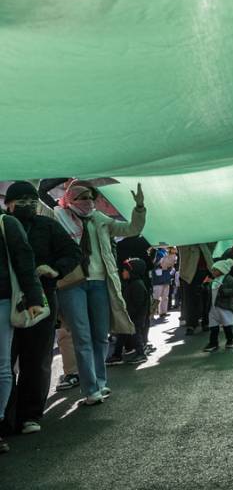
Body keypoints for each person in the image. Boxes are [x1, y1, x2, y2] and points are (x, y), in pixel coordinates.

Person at [52, 181, 143, 406]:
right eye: (82, 198)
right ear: (70, 199)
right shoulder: (58, 218)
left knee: (100, 336)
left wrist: (139, 208)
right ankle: (91, 389)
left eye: (91, 197)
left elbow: (131, 229)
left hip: (100, 283)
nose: (88, 202)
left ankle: (100, 383)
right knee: (82, 337)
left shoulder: (100, 219)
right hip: (72, 283)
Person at [2, 181, 80, 436]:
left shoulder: (48, 226)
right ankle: (6, 416)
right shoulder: (3, 225)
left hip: (43, 300)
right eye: (20, 200)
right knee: (5, 362)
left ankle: (30, 415)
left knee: (36, 359)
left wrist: (55, 269)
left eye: (31, 199)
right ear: (7, 204)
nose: (26, 204)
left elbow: (73, 253)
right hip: (7, 301)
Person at [0, 209, 46, 454]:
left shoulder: (6, 222)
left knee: (2, 366)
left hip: (3, 300)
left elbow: (24, 259)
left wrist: (34, 296)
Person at [113, 259, 149, 365]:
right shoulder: (132, 283)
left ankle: (141, 353)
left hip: (135, 317)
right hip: (130, 315)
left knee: (135, 334)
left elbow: (137, 303)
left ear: (132, 272)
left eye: (125, 270)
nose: (123, 272)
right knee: (122, 334)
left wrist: (128, 313)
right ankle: (117, 355)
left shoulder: (137, 285)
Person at [202, 259, 233, 352]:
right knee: (213, 326)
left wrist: (224, 291)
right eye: (213, 270)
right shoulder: (214, 280)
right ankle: (213, 343)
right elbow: (209, 291)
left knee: (227, 325)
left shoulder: (229, 279)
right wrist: (205, 286)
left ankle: (230, 340)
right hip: (213, 307)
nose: (213, 271)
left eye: (215, 270)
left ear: (222, 270)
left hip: (224, 307)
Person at [177, 243, 214, 335]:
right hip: (189, 275)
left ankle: (206, 322)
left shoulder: (204, 244)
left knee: (206, 299)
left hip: (205, 273)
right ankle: (191, 324)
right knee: (190, 301)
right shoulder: (184, 244)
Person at [151, 247, 177, 321]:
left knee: (165, 297)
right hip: (158, 278)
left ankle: (163, 312)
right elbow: (155, 263)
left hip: (166, 277)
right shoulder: (156, 252)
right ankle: (151, 313)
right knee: (156, 297)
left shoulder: (166, 252)